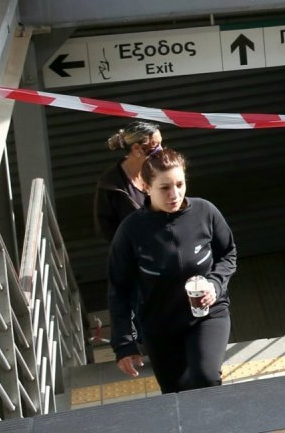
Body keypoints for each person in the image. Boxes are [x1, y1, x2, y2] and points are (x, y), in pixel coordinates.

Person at [107, 147, 237, 393]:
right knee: (177, 395)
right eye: (164, 187)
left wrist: (215, 284)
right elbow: (119, 289)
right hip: (160, 325)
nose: (174, 194)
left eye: (180, 184)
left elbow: (228, 254)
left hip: (208, 315)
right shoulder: (131, 230)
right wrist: (124, 343)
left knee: (206, 379)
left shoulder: (205, 212)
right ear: (146, 187)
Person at [94, 121, 163, 243]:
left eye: (161, 144)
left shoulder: (161, 170)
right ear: (137, 149)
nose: (161, 150)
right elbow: (106, 229)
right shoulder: (110, 184)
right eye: (155, 145)